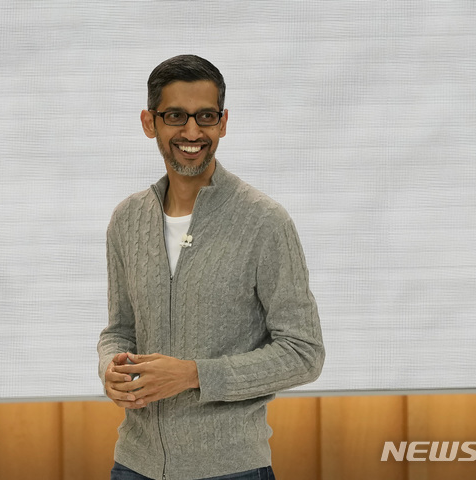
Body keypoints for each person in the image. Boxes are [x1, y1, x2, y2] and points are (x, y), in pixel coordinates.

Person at [98, 54, 324, 480]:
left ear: (223, 122)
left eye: (205, 116)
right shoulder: (126, 220)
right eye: (175, 116)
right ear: (150, 123)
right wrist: (110, 367)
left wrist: (193, 375)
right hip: (134, 466)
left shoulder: (264, 222)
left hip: (231, 469)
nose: (191, 131)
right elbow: (119, 330)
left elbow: (304, 352)